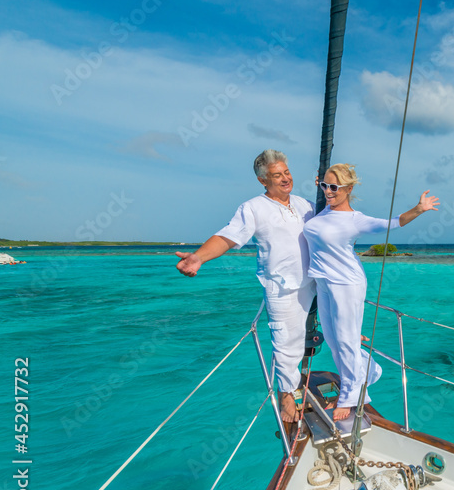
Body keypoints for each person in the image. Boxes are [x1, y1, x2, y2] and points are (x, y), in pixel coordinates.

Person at [175, 149, 315, 423]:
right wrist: (199, 257)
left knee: (325, 332)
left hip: (313, 281)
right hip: (282, 287)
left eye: (287, 172)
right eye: (277, 175)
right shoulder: (253, 208)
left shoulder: (306, 204)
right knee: (287, 344)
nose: (286, 178)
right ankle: (286, 393)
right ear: (264, 180)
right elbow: (228, 237)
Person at [304, 163, 439, 421]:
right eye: (324, 186)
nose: (328, 191)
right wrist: (319, 181)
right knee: (334, 341)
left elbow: (392, 223)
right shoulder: (323, 212)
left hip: (347, 284)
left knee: (345, 340)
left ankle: (352, 396)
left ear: (349, 189)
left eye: (334, 187)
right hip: (323, 282)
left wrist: (419, 209)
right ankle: (370, 370)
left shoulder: (355, 220)